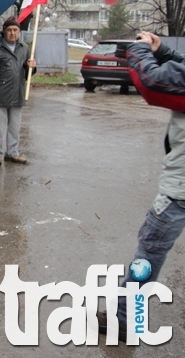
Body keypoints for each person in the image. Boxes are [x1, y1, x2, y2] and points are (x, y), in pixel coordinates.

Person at [97, 31, 185, 341]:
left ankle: (124, 318)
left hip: (179, 191)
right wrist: (163, 50)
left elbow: (151, 82)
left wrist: (140, 49)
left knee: (149, 254)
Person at [0, 16, 36, 165]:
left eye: (15, 30)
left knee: (14, 126)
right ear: (4, 31)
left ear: (19, 31)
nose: (12, 33)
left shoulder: (24, 48)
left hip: (17, 91)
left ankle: (12, 152)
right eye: (10, 30)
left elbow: (27, 72)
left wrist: (32, 66)